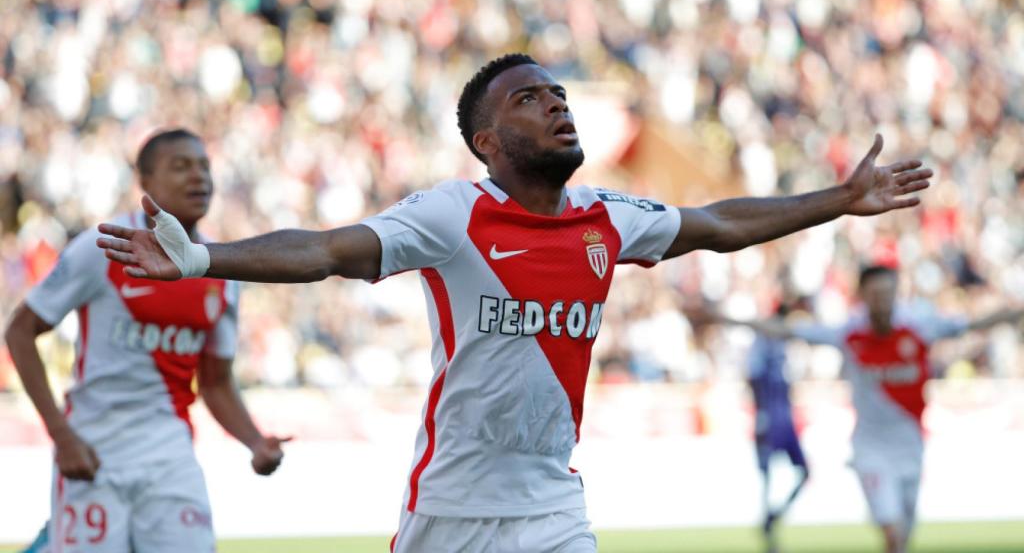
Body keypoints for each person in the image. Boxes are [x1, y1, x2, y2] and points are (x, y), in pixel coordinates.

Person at [96, 54, 932, 552]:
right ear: (488, 144)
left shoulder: (613, 218)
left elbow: (716, 223)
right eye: (529, 99)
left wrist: (837, 198)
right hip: (450, 510)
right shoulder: (451, 215)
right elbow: (324, 249)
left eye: (558, 94)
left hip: (551, 506)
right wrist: (203, 258)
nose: (557, 103)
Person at [5, 129, 290, 553]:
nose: (199, 177)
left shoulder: (220, 270)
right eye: (181, 166)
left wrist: (254, 440)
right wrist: (63, 437)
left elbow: (214, 381)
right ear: (146, 181)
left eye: (205, 166)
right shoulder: (105, 246)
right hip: (94, 452)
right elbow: (19, 331)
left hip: (169, 457)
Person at [718, 266, 1024, 553]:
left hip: (911, 446)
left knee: (902, 537)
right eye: (875, 294)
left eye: (888, 293)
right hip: (870, 448)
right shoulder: (848, 333)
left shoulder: (919, 327)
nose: (882, 301)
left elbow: (975, 324)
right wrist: (730, 321)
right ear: (863, 297)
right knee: (891, 532)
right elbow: (788, 332)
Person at [740, 298, 810, 553]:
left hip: (785, 418)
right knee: (768, 476)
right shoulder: (762, 344)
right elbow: (754, 378)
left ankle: (772, 518)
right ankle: (769, 532)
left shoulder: (784, 343)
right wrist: (760, 414)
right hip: (770, 416)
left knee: (803, 473)